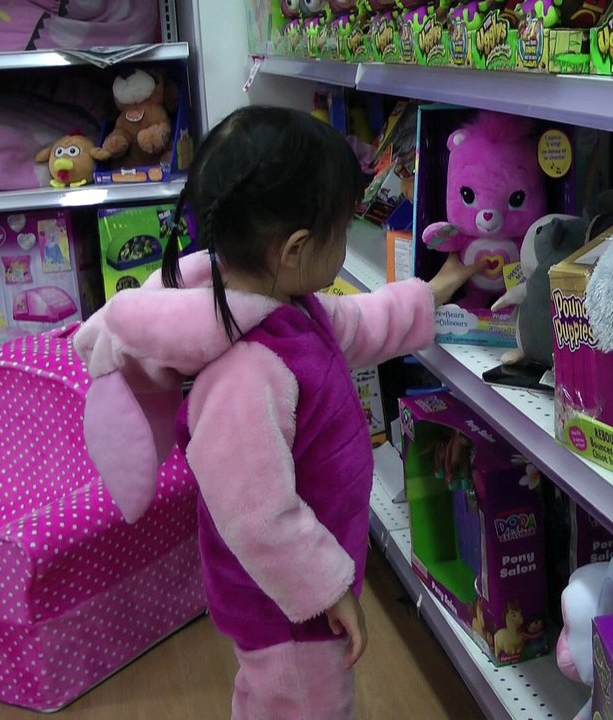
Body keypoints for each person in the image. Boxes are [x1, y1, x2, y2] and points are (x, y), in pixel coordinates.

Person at [74, 105, 479, 719]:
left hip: (292, 591)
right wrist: (326, 590)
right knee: (304, 704)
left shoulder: (286, 307)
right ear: (295, 249)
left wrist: (435, 290)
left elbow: (359, 323)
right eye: (341, 230)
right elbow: (256, 514)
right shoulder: (247, 371)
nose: (345, 243)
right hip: (286, 607)